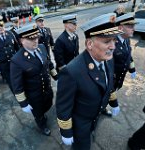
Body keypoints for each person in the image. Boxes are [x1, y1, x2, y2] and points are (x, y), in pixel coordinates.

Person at [56, 13, 123, 150]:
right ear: (89, 44)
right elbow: (63, 106)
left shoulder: (108, 59)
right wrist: (66, 132)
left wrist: (113, 102)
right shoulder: (71, 72)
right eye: (107, 41)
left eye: (114, 41)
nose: (112, 47)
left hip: (95, 115)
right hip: (80, 123)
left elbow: (107, 85)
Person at [10, 23, 58, 136]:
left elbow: (49, 64)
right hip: (34, 96)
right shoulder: (17, 60)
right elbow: (17, 85)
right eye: (30, 39)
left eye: (36, 37)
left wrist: (56, 77)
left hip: (47, 89)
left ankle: (43, 115)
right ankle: (42, 126)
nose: (35, 40)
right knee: (38, 114)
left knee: (48, 105)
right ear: (21, 40)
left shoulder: (41, 48)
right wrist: (23, 103)